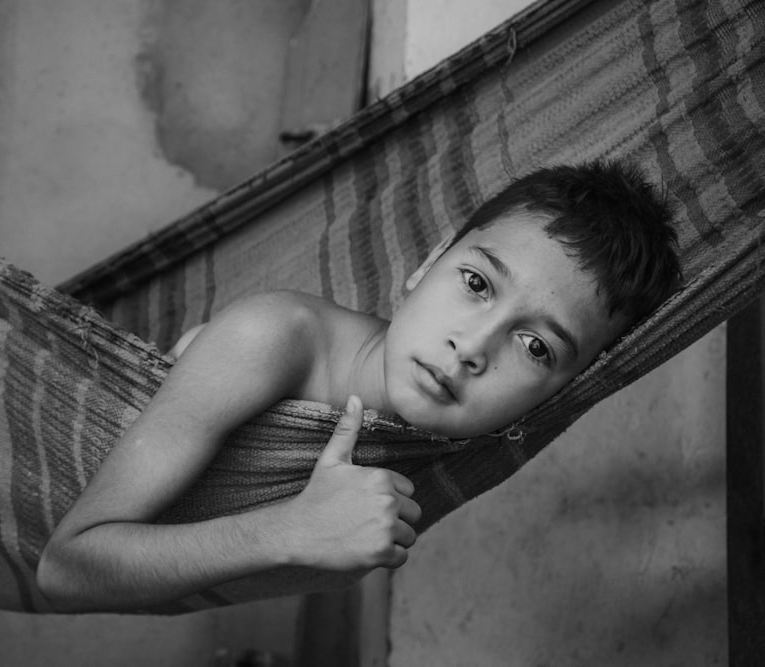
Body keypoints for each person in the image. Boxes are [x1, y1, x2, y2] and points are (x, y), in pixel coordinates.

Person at [36, 160, 681, 612]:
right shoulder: (269, 339)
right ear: (425, 266)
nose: (472, 348)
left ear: (559, 395)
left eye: (536, 347)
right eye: (477, 284)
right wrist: (289, 530)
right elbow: (66, 569)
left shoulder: (463, 447)